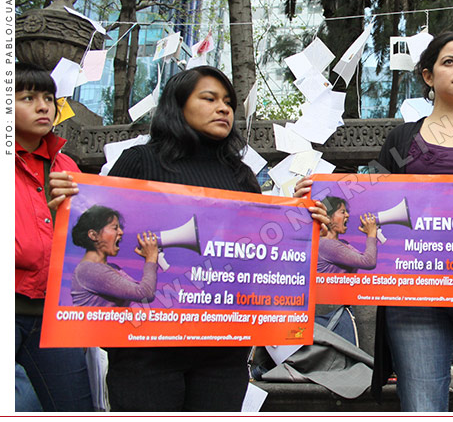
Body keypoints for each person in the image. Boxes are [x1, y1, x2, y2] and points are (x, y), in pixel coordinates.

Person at [49, 66, 328, 411]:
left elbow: (258, 254)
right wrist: (66, 202)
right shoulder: (139, 161)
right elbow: (101, 237)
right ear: (177, 106)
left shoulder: (240, 175)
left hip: (222, 352)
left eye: (228, 102)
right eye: (209, 98)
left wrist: (302, 221)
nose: (224, 108)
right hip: (145, 350)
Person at [297, 31, 453, 411]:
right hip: (414, 297)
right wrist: (319, 196)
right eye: (449, 62)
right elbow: (365, 197)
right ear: (428, 76)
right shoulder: (402, 139)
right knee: (421, 405)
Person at [14, 65, 93, 412]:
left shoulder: (68, 167)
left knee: (74, 407)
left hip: (53, 313)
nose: (43, 106)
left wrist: (69, 211)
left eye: (48, 97)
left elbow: (88, 238)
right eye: (27, 98)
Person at [70, 205, 160, 307]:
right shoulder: (88, 270)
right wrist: (151, 258)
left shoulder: (112, 268)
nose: (121, 232)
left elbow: (142, 289)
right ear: (93, 235)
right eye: (115, 228)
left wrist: (151, 257)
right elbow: (145, 294)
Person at [317, 196, 379, 273]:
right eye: (343, 212)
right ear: (328, 218)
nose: (347, 215)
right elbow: (369, 262)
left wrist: (372, 233)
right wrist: (371, 235)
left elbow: (365, 258)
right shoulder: (327, 245)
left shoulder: (342, 243)